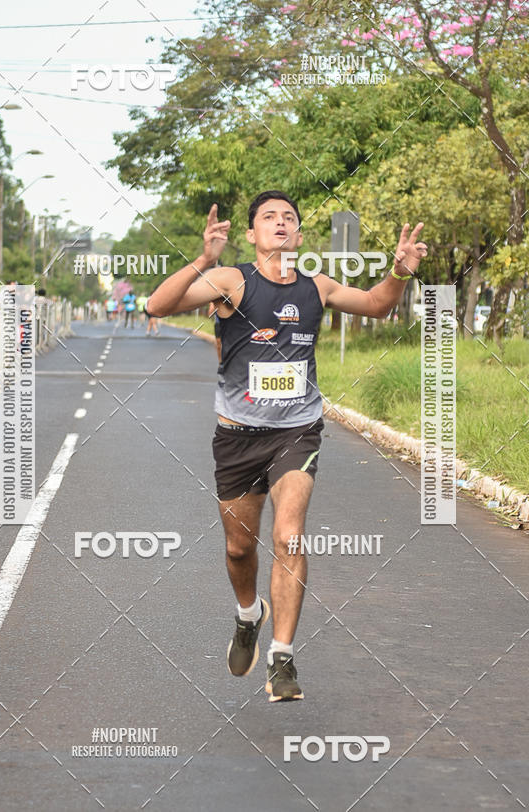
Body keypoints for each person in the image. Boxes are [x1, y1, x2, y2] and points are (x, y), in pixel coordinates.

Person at [147, 191, 426, 702]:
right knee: (239, 549)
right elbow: (157, 306)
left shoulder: (317, 286)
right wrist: (204, 258)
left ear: (299, 235)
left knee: (289, 536)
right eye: (269, 217)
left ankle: (282, 657)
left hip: (296, 433)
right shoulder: (231, 281)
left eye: (289, 218)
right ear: (251, 234)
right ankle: (248, 614)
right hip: (237, 437)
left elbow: (377, 305)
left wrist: (399, 273)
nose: (280, 223)